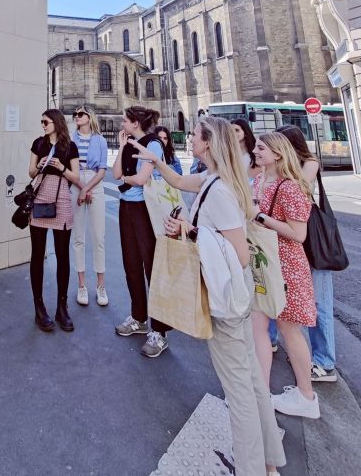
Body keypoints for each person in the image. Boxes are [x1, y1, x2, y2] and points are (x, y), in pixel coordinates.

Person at [130, 117, 286, 476]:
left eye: (196, 137)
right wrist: (153, 160)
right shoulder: (215, 178)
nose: (190, 140)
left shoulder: (220, 190)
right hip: (234, 297)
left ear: (208, 145)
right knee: (250, 382)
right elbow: (180, 180)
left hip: (228, 301)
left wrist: (191, 230)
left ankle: (252, 469)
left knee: (240, 392)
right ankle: (269, 462)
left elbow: (240, 255)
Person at [251, 132, 320, 419]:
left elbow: (298, 234)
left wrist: (259, 217)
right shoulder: (259, 180)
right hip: (264, 264)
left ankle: (306, 396)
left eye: (260, 147)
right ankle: (258, 394)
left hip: (286, 266)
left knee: (290, 331)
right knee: (258, 328)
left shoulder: (290, 187)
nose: (254, 150)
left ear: (277, 154)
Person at [277, 124, 336, 383]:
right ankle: (303, 354)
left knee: (320, 303)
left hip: (315, 242)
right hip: (297, 242)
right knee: (300, 301)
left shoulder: (310, 163)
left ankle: (325, 362)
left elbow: (300, 187)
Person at [112, 106, 172, 358]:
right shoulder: (129, 143)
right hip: (127, 207)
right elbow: (116, 173)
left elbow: (140, 179)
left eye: (125, 120)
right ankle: (138, 317)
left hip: (146, 209)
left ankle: (159, 330)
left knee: (153, 267)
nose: (122, 124)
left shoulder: (153, 145)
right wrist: (122, 147)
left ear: (135, 122)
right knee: (131, 264)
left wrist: (126, 178)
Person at [28, 109, 80, 333]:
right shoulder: (38, 144)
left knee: (62, 255)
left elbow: (75, 177)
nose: (43, 125)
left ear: (56, 123)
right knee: (37, 255)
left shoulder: (70, 146)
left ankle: (61, 307)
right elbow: (30, 172)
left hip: (62, 201)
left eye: (46, 122)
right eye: (41, 122)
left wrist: (61, 168)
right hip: (40, 200)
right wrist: (38, 168)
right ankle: (39, 308)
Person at [70, 107, 109, 307]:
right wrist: (82, 189)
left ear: (89, 117)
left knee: (98, 237)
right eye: (75, 114)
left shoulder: (101, 140)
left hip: (95, 183)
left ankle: (101, 285)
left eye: (81, 114)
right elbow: (68, 169)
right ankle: (82, 285)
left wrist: (87, 188)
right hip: (77, 184)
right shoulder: (70, 140)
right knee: (78, 237)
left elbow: (102, 170)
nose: (77, 116)